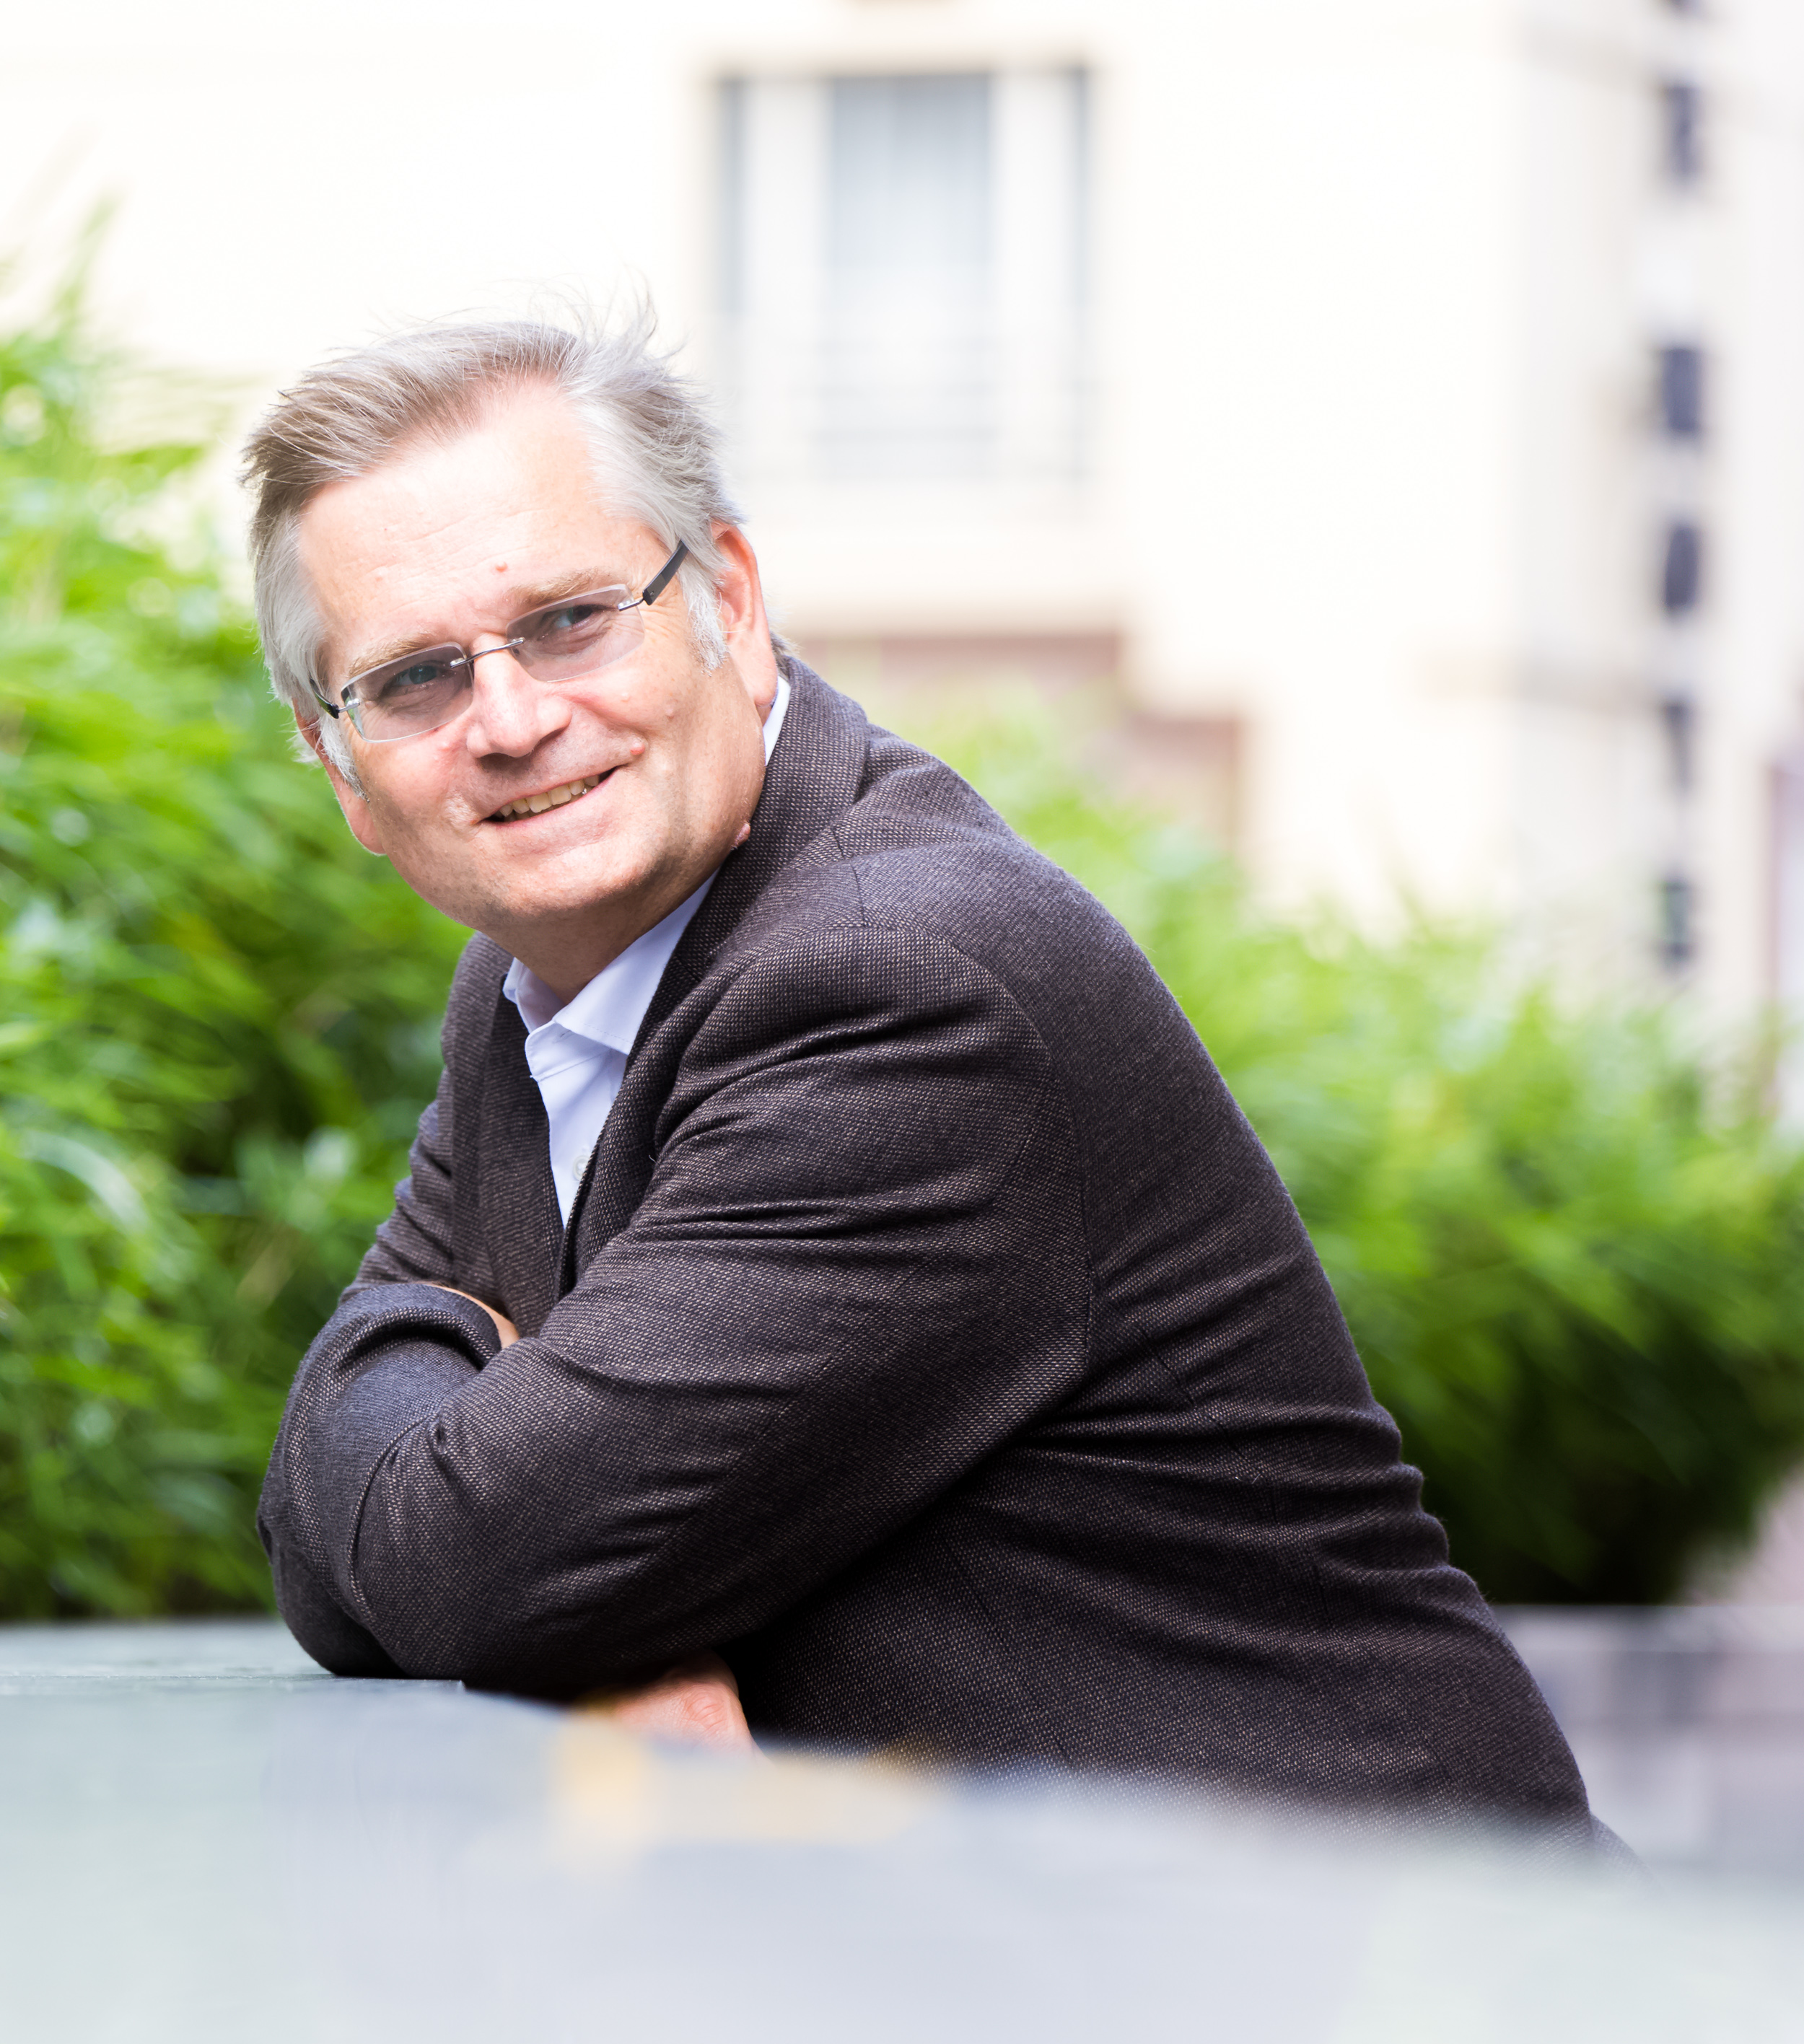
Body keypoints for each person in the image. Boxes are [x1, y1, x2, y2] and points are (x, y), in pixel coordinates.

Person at [245, 319, 1599, 1828]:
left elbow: (474, 1559)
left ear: (731, 605)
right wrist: (512, 1507)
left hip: (1380, 1978)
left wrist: (510, 1507)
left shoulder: (904, 981)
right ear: (340, 766)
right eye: (417, 679)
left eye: (570, 621)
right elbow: (370, 1541)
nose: (508, 721)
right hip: (1053, 1976)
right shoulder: (535, 982)